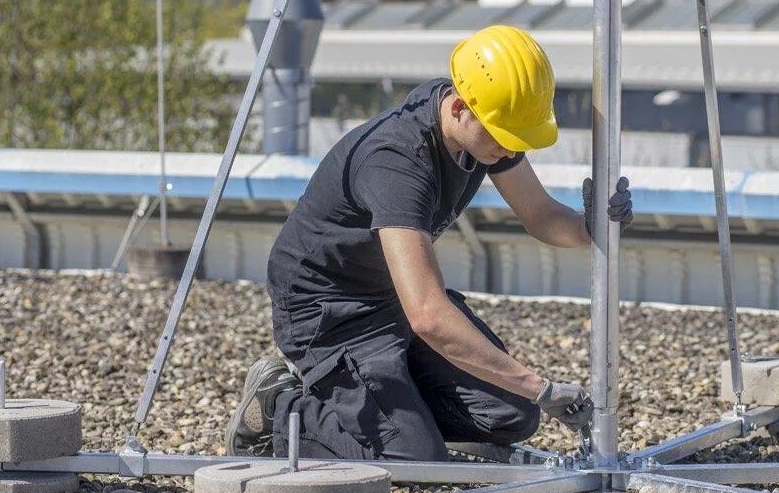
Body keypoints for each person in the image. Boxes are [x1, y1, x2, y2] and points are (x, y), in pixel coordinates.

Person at [224, 25, 633, 461]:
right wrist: (541, 387)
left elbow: (541, 216)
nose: (508, 148)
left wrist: (591, 226)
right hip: (329, 311)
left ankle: (395, 409)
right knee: (417, 461)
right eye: (502, 136)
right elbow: (429, 316)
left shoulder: (482, 125)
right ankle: (279, 410)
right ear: (459, 108)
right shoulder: (397, 165)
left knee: (512, 417)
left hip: (389, 296)